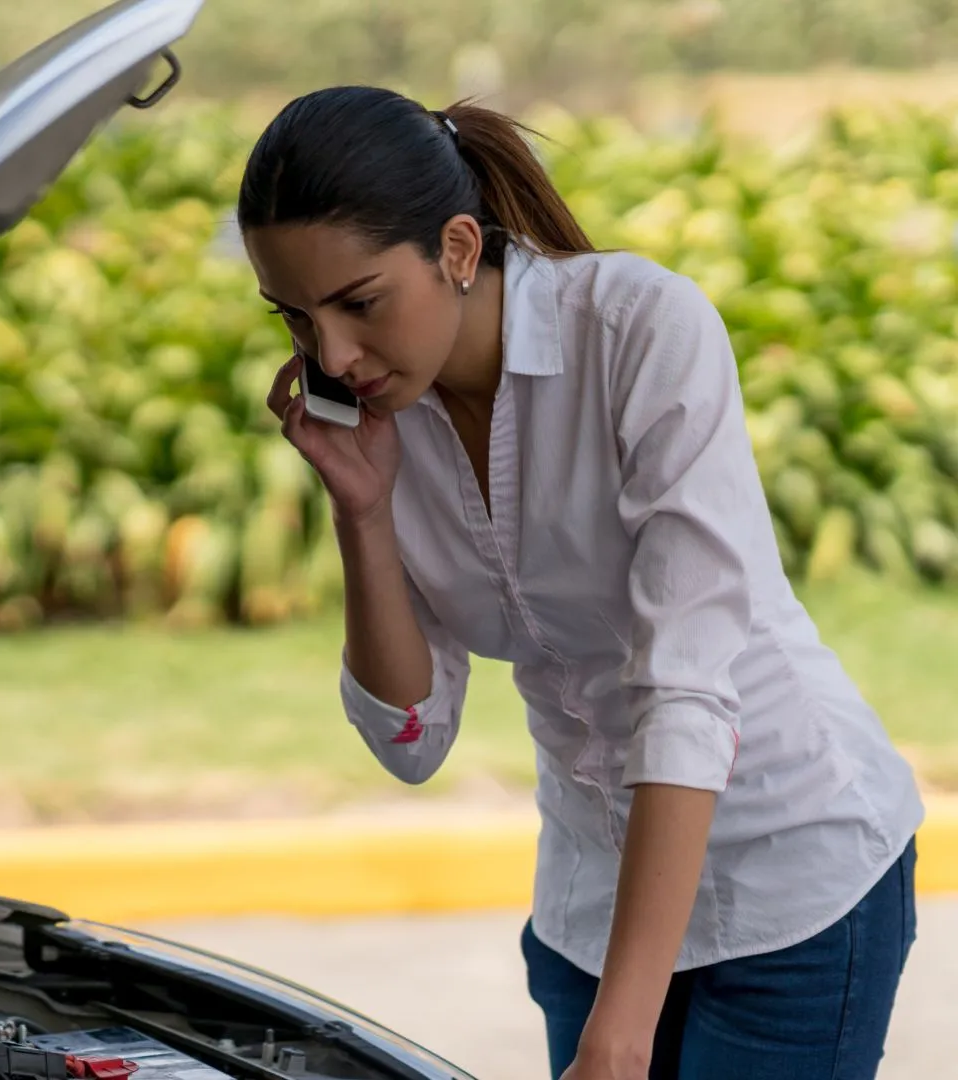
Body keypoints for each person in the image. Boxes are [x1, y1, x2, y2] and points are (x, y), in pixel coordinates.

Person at [239, 86, 924, 1080]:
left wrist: (621, 1030)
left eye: (360, 304)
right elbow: (412, 741)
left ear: (460, 249)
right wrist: (364, 512)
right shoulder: (382, 417)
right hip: (589, 909)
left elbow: (685, 689)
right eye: (297, 317)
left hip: (790, 882)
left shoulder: (642, 331)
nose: (332, 355)